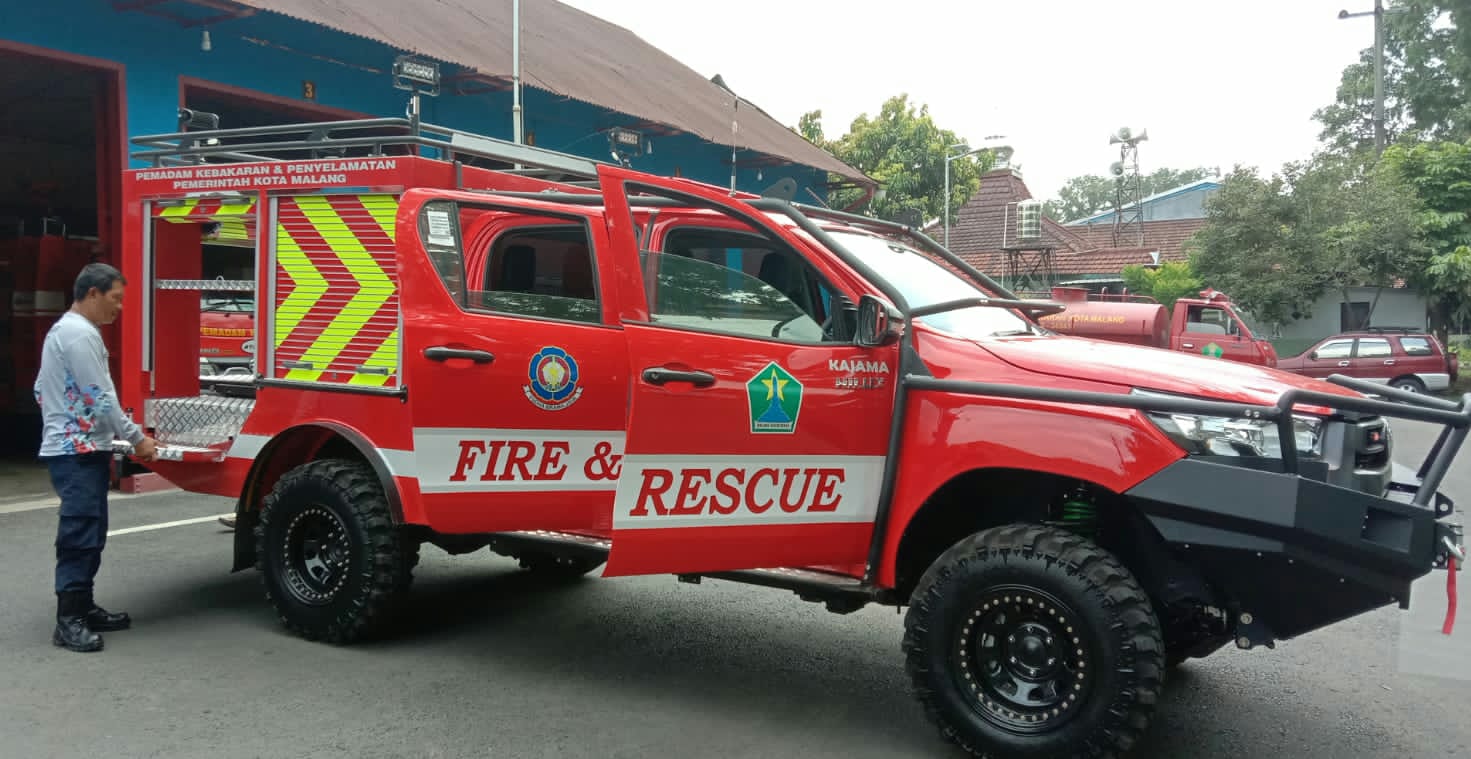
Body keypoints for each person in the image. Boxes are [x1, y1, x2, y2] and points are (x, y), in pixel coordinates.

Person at [35, 262, 158, 653]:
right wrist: (137, 438)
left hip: (80, 446)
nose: (119, 308)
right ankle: (68, 620)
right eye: (115, 299)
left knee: (90, 533)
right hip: (76, 450)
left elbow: (41, 389)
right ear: (92, 293)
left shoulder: (68, 331)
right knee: (79, 536)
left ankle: (83, 607)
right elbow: (99, 397)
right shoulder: (78, 335)